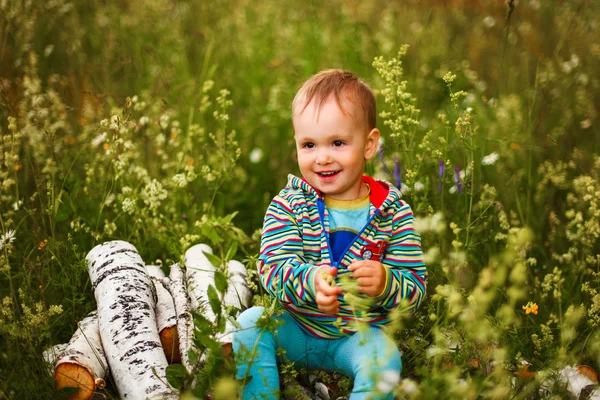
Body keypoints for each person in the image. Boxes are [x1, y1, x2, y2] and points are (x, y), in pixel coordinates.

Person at [233, 69, 427, 399]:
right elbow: (272, 268)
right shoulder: (290, 204)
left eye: (338, 143)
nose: (322, 157)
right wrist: (310, 281)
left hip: (359, 336)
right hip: (296, 328)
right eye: (309, 144)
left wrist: (385, 282)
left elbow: (416, 288)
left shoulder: (392, 214)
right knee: (251, 324)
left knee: (385, 361)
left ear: (369, 144)